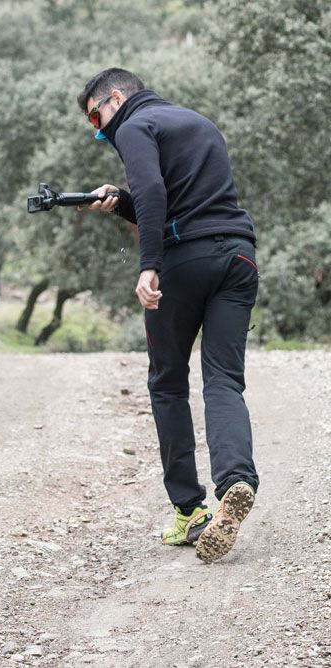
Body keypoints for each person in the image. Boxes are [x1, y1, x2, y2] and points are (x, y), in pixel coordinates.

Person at [78, 68, 259, 564]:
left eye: (97, 116)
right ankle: (236, 480)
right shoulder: (198, 122)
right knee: (223, 379)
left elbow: (157, 197)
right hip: (238, 257)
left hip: (184, 262)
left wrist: (149, 265)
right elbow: (187, 200)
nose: (100, 130)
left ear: (116, 98)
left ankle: (190, 511)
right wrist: (121, 205)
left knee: (168, 383)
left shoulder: (136, 126)